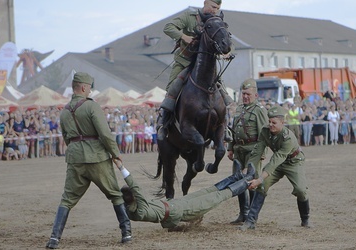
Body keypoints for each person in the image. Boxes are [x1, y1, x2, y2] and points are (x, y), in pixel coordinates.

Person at [45, 72, 132, 249]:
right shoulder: (91, 107)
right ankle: (127, 233)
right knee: (115, 194)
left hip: (75, 159)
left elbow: (66, 137)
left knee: (67, 199)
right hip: (96, 157)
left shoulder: (65, 111)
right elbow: (105, 134)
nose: (90, 91)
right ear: (83, 87)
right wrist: (115, 153)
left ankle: (54, 238)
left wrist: (78, 148)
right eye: (90, 87)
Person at [158, 0, 234, 140]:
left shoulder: (217, 21)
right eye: (212, 6)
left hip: (206, 66)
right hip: (185, 63)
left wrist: (228, 52)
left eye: (217, 8)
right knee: (172, 88)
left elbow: (226, 39)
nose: (214, 10)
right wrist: (183, 36)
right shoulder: (189, 17)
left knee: (222, 91)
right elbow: (168, 27)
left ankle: (225, 128)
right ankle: (164, 125)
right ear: (205, 3)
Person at [115, 158, 255, 229]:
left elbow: (128, 194)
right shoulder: (139, 211)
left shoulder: (130, 209)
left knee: (209, 190)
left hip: (173, 204)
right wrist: (121, 168)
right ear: (133, 199)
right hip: (178, 212)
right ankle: (248, 179)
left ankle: (236, 177)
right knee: (218, 196)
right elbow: (136, 188)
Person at [239, 106, 311, 231]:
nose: (270, 125)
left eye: (274, 123)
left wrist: (260, 178)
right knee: (263, 186)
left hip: (293, 162)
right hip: (279, 163)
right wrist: (248, 168)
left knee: (300, 190)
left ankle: (305, 219)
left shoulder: (288, 137)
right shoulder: (265, 131)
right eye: (269, 122)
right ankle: (250, 221)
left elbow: (276, 159)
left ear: (282, 123)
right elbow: (257, 152)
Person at [226, 79, 268, 224]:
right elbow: (234, 130)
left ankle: (251, 216)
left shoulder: (259, 111)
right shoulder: (239, 109)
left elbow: (264, 135)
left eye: (248, 94)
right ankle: (243, 214)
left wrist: (261, 155)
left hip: (253, 151)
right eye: (243, 94)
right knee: (238, 181)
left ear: (255, 95)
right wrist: (230, 148)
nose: (245, 97)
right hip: (239, 151)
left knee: (251, 182)